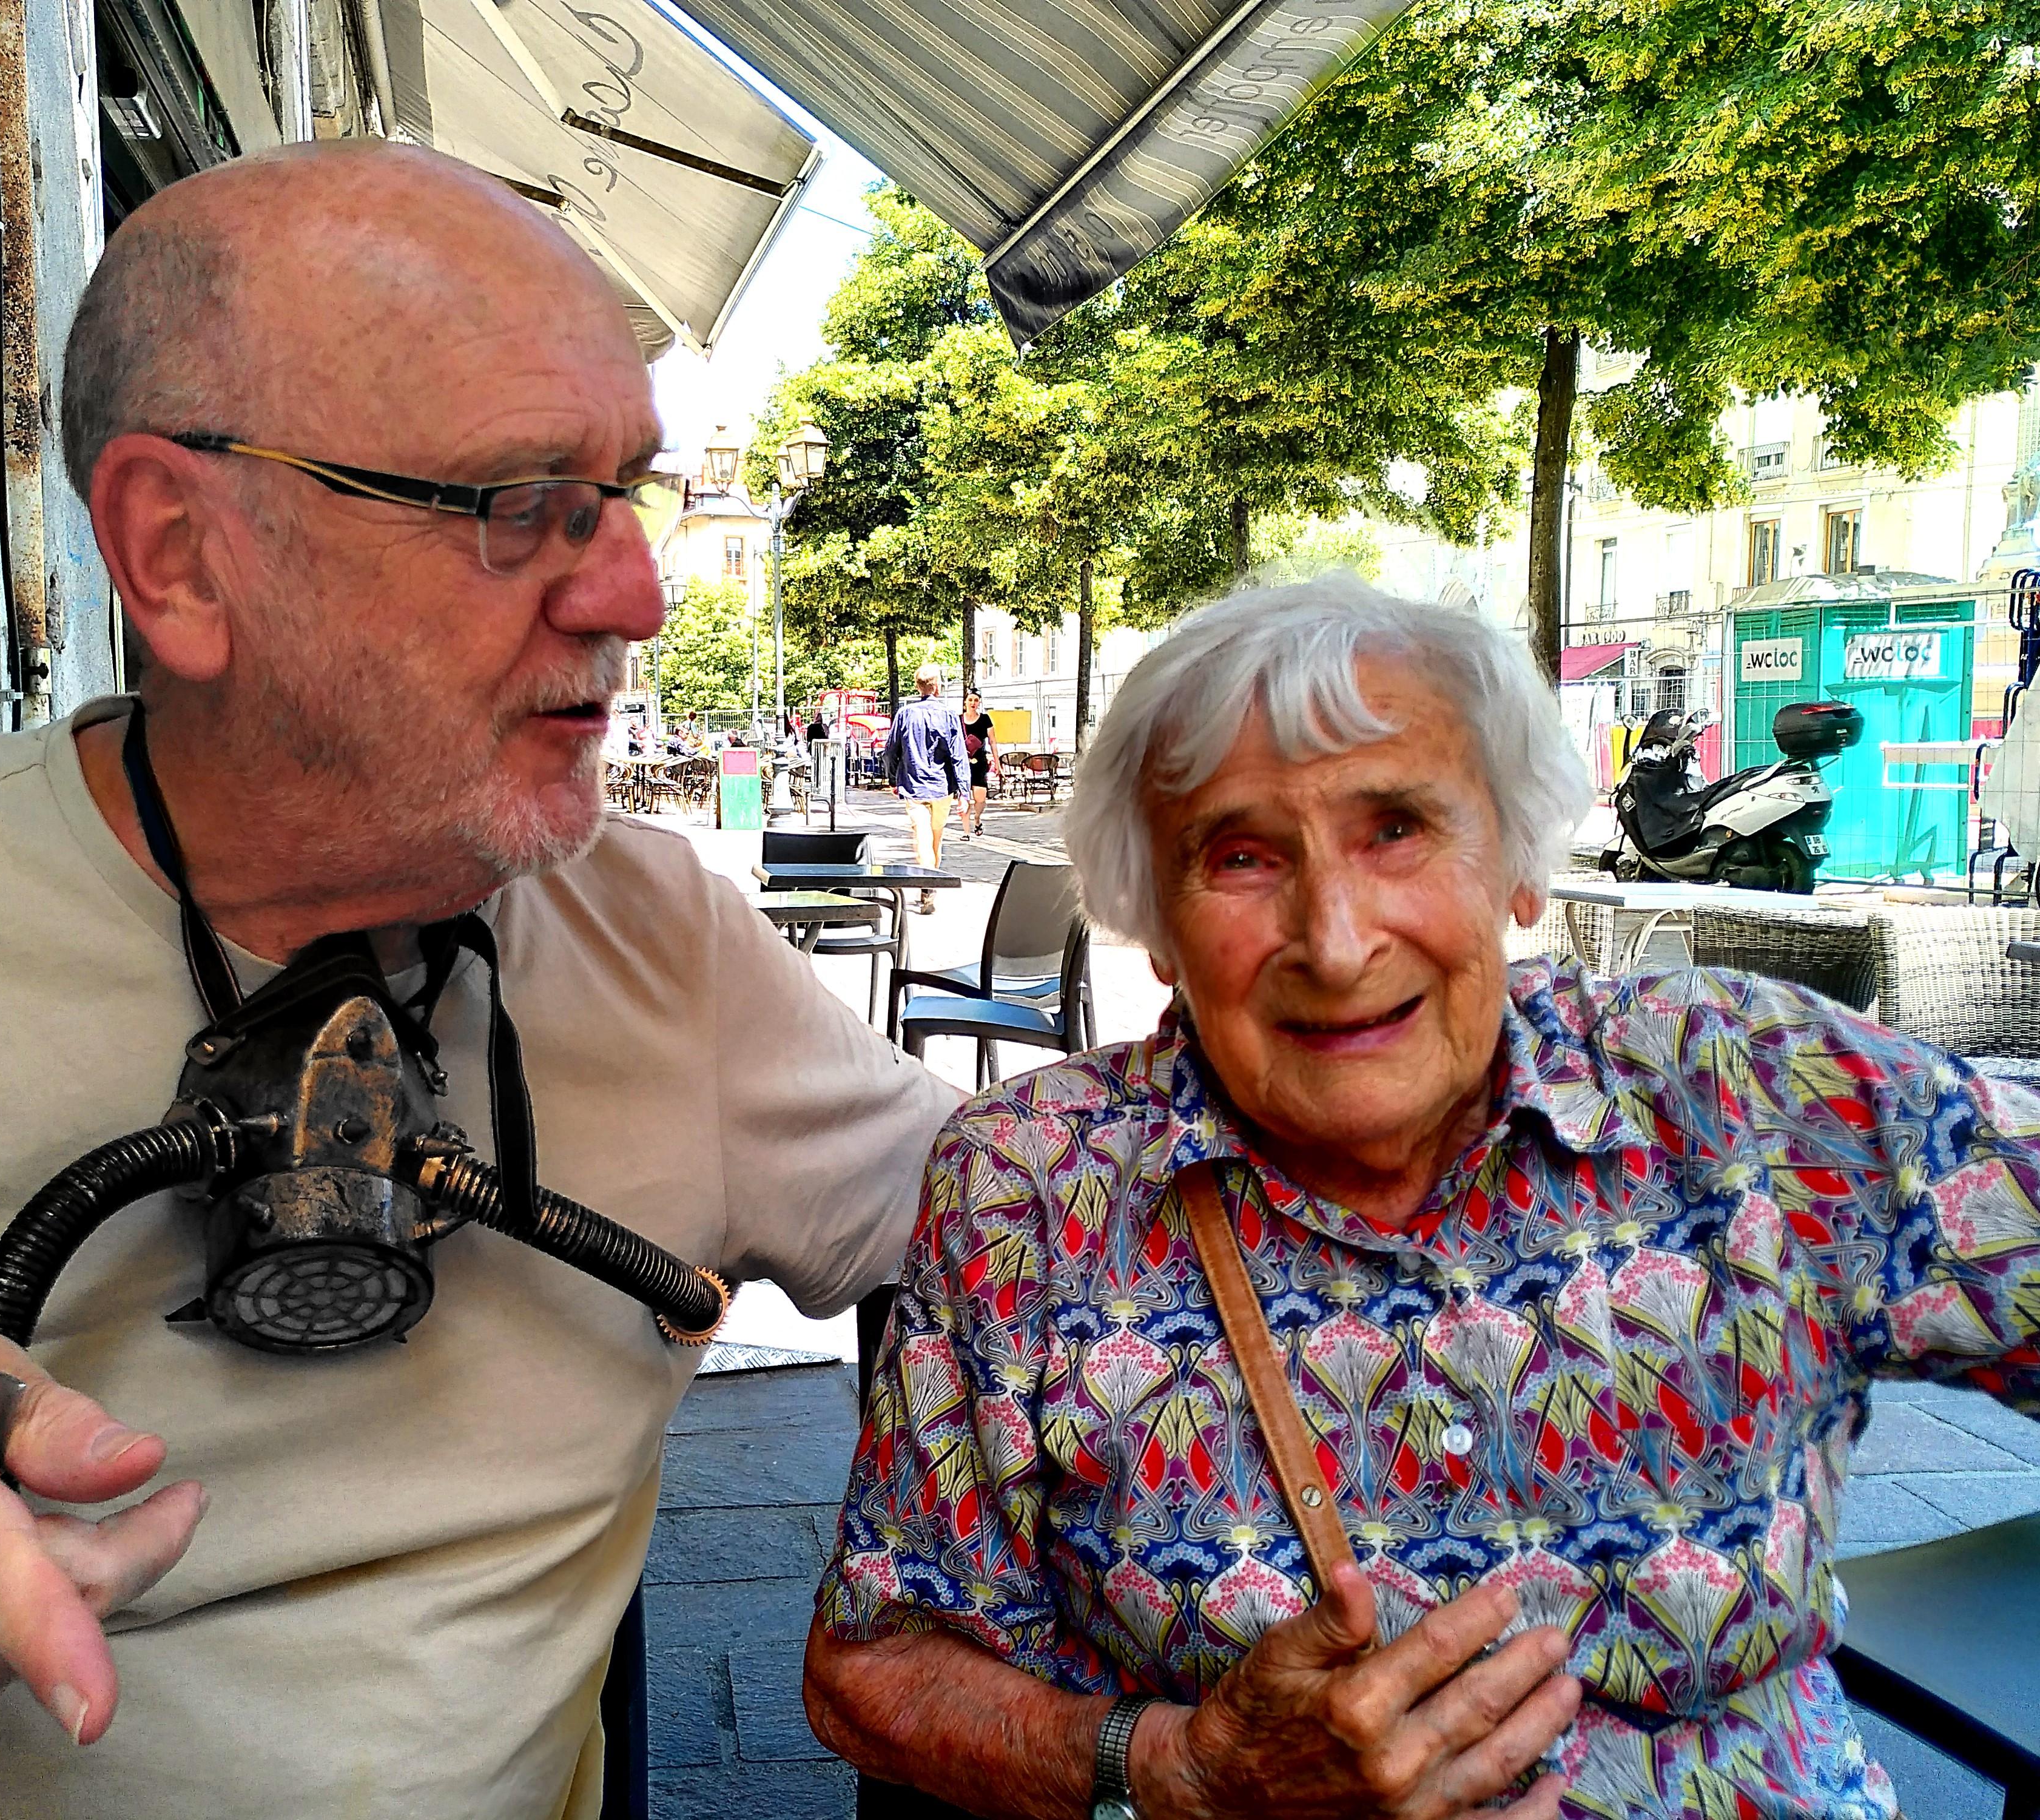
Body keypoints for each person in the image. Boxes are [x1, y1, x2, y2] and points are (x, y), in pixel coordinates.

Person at [0, 143, 957, 1818]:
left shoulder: (661, 938)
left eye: (626, 493)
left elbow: (1050, 1214)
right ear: (178, 552)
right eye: (520, 503)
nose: (636, 594)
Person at [804, 576, 2040, 1820]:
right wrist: (1185, 1771)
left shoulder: (1749, 1092)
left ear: (1512, 864)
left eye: (1394, 828)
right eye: (1239, 856)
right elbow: (874, 1666)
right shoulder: (1028, 1185)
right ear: (1157, 931)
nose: (1334, 942)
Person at [887, 666, 964, 911]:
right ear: (938, 686)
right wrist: (964, 791)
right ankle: (929, 887)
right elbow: (958, 755)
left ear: (918, 687)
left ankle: (928, 885)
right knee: (936, 839)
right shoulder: (949, 715)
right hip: (942, 788)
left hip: (914, 786)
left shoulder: (905, 714)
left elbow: (891, 751)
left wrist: (892, 779)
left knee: (922, 838)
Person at [959, 689, 998, 834]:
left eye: (976, 700)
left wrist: (997, 762)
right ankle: (966, 832)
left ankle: (977, 817)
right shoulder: (958, 719)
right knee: (964, 797)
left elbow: (993, 742)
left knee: (980, 797)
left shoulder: (985, 719)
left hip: (980, 761)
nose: (973, 703)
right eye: (970, 700)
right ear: (965, 702)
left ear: (979, 702)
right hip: (963, 763)